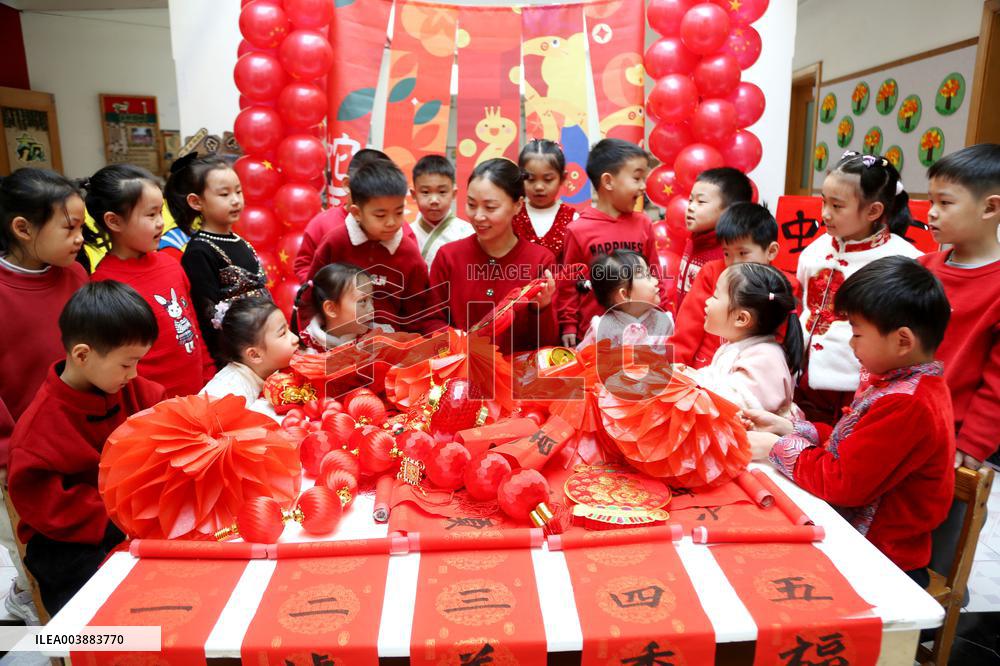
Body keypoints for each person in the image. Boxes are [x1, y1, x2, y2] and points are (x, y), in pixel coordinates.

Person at [747, 256, 954, 585]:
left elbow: (841, 482)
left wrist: (776, 446)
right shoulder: (897, 382)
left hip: (884, 560)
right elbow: (854, 444)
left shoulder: (907, 403)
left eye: (857, 333)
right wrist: (791, 428)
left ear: (903, 341)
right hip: (864, 539)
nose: (851, 343)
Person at [8, 281, 164, 614]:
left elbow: (162, 416)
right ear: (82, 355)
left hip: (127, 514)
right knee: (108, 607)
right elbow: (47, 504)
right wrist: (121, 514)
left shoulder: (127, 387)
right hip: (70, 539)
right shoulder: (39, 428)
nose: (134, 374)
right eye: (126, 364)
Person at [0, 168, 87, 623]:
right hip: (24, 452)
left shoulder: (74, 275)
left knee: (80, 535)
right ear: (23, 228)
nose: (80, 238)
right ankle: (34, 608)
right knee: (39, 543)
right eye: (69, 228)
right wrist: (10, 450)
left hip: (82, 432)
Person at [796, 151, 922, 424]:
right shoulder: (814, 251)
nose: (825, 214)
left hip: (857, 384)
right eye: (823, 202)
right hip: (803, 376)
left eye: (837, 206)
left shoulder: (904, 262)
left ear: (873, 211)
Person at [87, 164, 214, 396]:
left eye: (160, 212)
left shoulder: (171, 264)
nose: (160, 223)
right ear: (114, 222)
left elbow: (192, 327)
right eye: (150, 214)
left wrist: (209, 377)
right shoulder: (104, 285)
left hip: (197, 395)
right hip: (151, 411)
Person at [918, 144, 1000, 471]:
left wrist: (974, 443)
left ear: (990, 208)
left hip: (952, 440)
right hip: (901, 421)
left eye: (945, 202)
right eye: (931, 201)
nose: (932, 212)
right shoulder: (920, 268)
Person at [429, 158, 557, 352]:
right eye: (471, 204)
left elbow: (547, 345)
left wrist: (542, 309)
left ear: (518, 205)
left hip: (518, 377)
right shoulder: (449, 257)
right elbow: (431, 321)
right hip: (460, 372)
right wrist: (456, 342)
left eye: (490, 208)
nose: (478, 216)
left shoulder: (540, 260)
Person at [557, 139, 669, 347]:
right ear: (608, 181)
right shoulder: (578, 230)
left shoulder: (644, 223)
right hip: (596, 336)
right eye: (636, 178)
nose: (644, 186)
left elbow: (654, 273)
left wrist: (665, 313)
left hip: (643, 333)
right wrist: (568, 324)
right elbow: (569, 285)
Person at [307, 160, 437, 334]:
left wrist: (405, 345)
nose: (391, 222)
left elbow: (418, 312)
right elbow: (311, 296)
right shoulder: (335, 242)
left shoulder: (408, 253)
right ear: (357, 213)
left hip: (391, 350)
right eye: (380, 215)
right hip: (334, 346)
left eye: (398, 212)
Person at [167, 154, 268, 367]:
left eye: (238, 191)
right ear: (196, 202)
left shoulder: (239, 240)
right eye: (224, 194)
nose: (235, 200)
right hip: (236, 356)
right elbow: (208, 319)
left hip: (264, 344)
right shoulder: (199, 251)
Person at [672, 203, 798, 369]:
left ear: (771, 251)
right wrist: (674, 368)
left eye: (743, 253)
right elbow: (687, 330)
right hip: (703, 372)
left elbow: (783, 339)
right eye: (726, 253)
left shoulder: (784, 285)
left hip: (755, 370)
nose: (734, 263)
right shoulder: (712, 272)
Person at [691, 262, 802, 417]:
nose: (707, 301)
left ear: (741, 318)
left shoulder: (766, 357)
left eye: (715, 296)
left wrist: (691, 384)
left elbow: (734, 402)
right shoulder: (738, 347)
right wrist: (690, 375)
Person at [294, 148, 390, 281]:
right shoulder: (322, 224)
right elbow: (304, 266)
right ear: (347, 184)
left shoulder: (399, 229)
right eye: (366, 188)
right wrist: (323, 292)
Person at [201, 295, 299, 410]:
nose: (295, 338)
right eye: (283, 333)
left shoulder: (269, 368)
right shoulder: (229, 395)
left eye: (288, 329)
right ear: (255, 355)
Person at [676, 167, 754, 308]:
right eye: (690, 200)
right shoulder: (693, 240)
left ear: (729, 211)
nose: (691, 207)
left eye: (701, 202)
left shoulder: (727, 255)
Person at [576, 249, 673, 351]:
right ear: (625, 294)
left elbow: (672, 359)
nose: (656, 281)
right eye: (647, 276)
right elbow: (583, 358)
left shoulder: (664, 323)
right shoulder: (601, 329)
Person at [294, 263, 393, 352]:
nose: (372, 309)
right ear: (331, 309)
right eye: (363, 301)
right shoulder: (306, 346)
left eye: (372, 300)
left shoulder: (379, 337)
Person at [513, 139, 579, 257]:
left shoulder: (573, 219)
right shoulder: (511, 215)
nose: (539, 187)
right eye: (531, 179)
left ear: (562, 178)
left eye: (548, 179)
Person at [409, 155, 470, 266]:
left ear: (454, 193)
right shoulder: (406, 234)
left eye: (442, 192)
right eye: (425, 192)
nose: (434, 200)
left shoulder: (467, 233)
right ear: (414, 194)